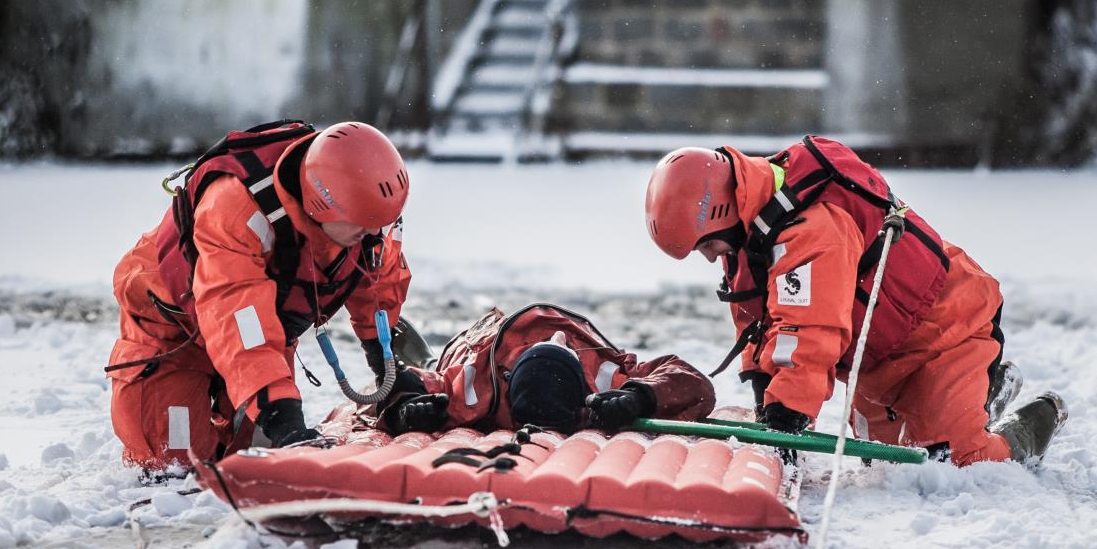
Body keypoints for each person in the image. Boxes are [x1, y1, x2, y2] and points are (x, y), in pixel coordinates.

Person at [642, 136, 1067, 466]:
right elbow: (758, 325)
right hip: (881, 362)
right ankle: (986, 393)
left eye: (708, 245)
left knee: (954, 461)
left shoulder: (811, 229)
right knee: (884, 459)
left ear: (720, 210)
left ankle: (1036, 420)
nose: (712, 256)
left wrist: (785, 419)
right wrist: (763, 396)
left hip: (950, 330)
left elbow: (808, 330)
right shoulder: (748, 237)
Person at [104, 120, 413, 470]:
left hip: (266, 326)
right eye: (364, 225)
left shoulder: (360, 218)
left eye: (380, 223)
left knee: (258, 455)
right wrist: (283, 417)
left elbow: (377, 278)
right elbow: (236, 314)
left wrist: (388, 367)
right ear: (323, 204)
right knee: (175, 459)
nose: (374, 232)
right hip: (174, 331)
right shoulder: (237, 208)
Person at [345, 303, 715, 436]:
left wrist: (640, 397)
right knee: (433, 366)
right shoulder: (477, 386)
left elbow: (694, 383)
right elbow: (387, 391)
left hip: (561, 339)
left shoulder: (604, 374)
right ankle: (416, 347)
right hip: (484, 342)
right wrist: (404, 411)